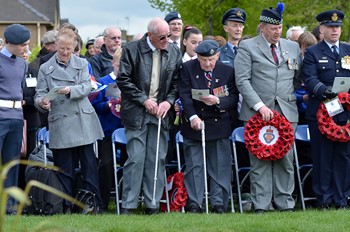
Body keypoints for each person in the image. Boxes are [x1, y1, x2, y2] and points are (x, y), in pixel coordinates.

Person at [234, 3, 301, 213]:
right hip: (257, 113)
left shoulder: (292, 47)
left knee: (285, 159)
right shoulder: (248, 47)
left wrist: (285, 98)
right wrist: (260, 105)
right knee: (260, 159)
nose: (277, 32)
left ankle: (285, 203)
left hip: (286, 111)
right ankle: (261, 205)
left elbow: (296, 79)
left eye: (280, 28)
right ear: (262, 27)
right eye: (273, 29)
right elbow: (242, 80)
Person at [34, 28, 104, 213]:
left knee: (89, 165)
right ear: (55, 46)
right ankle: (65, 205)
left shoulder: (82, 63)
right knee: (65, 168)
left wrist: (70, 91)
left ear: (75, 48)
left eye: (69, 49)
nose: (65, 52)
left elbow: (87, 86)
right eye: (62, 48)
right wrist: (42, 103)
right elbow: (39, 94)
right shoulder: (45, 68)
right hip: (60, 121)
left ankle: (92, 205)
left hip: (82, 121)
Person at [117, 17, 182, 215]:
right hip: (137, 112)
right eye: (162, 37)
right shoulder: (132, 49)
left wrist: (168, 102)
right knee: (136, 158)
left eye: (169, 36)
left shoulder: (174, 51)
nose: (166, 40)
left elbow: (177, 83)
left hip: (161, 113)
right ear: (150, 36)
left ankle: (152, 203)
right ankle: (129, 204)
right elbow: (124, 80)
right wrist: (144, 100)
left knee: (157, 159)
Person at [179, 40, 238, 213]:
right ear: (197, 56)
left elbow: (233, 96)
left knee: (220, 165)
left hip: (219, 122)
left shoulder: (227, 71)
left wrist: (219, 100)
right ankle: (195, 202)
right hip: (194, 123)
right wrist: (192, 116)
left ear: (218, 56)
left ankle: (218, 202)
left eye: (211, 59)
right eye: (204, 60)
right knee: (194, 165)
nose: (207, 63)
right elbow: (184, 95)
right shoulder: (188, 68)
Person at [302, 9, 350, 209]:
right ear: (321, 29)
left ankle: (341, 198)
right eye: (330, 27)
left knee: (343, 157)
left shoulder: (348, 51)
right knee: (322, 157)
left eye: (337, 27)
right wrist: (324, 90)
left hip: (344, 113)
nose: (335, 30)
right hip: (321, 110)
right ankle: (324, 199)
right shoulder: (314, 52)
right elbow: (309, 77)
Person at [0, 23, 31, 214]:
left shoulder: (22, 62)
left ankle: (10, 206)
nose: (26, 48)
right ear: (9, 43)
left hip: (17, 118)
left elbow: (21, 90)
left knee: (12, 162)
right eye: (23, 45)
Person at [91, 48, 124, 211]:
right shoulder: (102, 82)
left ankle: (126, 201)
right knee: (106, 165)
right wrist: (107, 104)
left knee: (129, 163)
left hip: (127, 131)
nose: (122, 67)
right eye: (119, 64)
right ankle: (102, 202)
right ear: (113, 63)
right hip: (108, 132)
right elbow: (94, 106)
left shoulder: (131, 82)